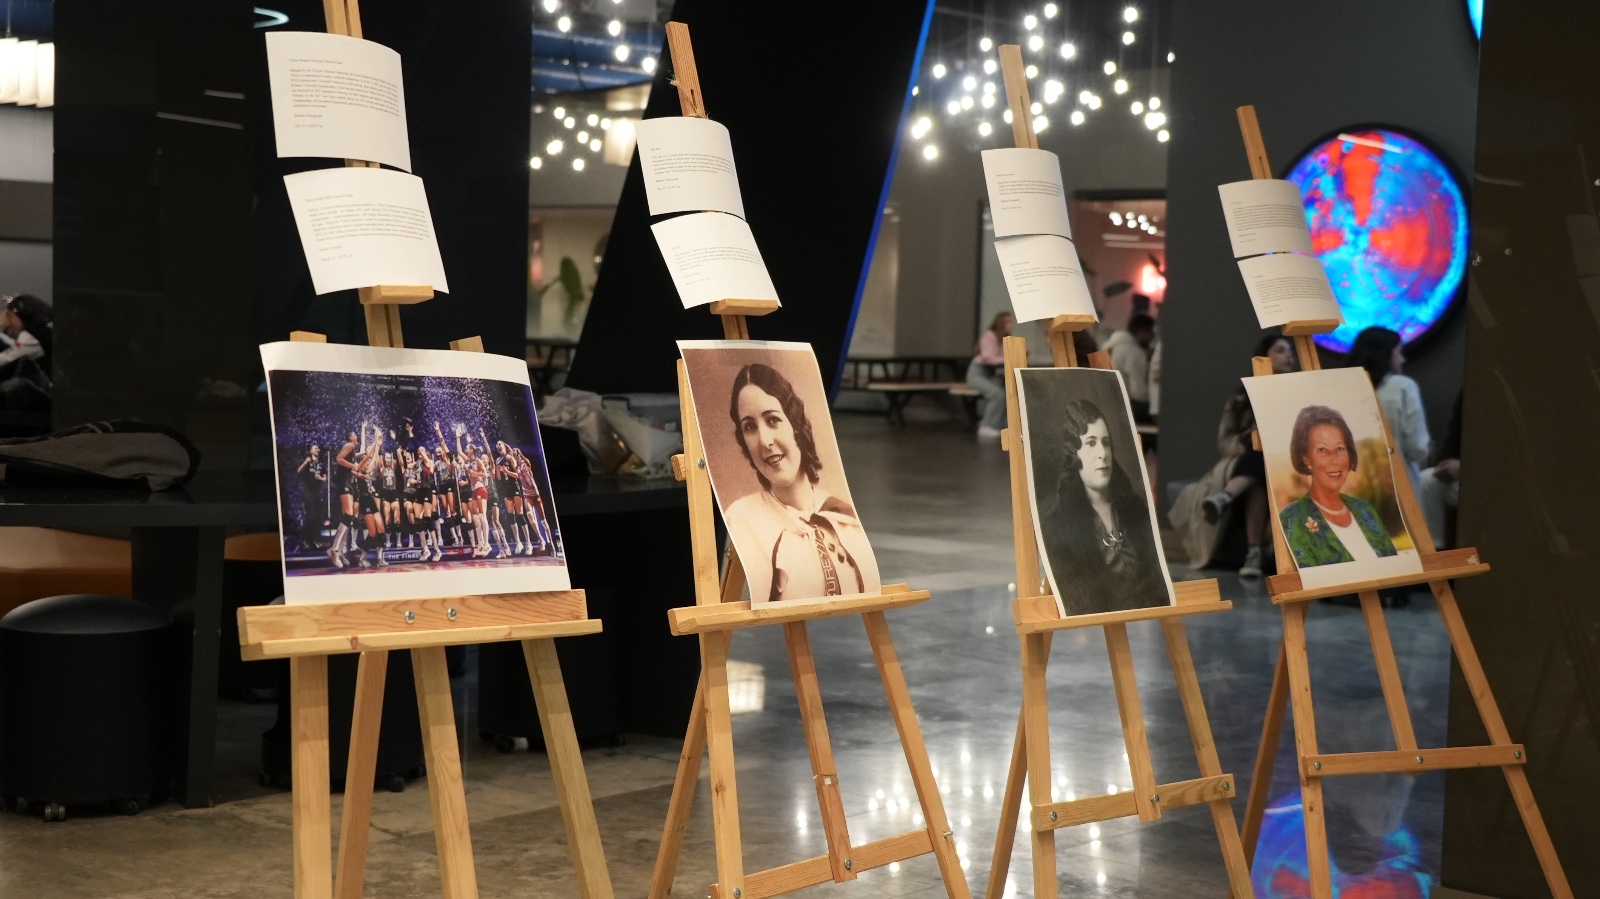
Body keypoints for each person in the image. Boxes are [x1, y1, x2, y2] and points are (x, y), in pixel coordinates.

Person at [722, 363, 878, 603]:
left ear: (795, 424)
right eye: (750, 427)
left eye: (773, 420)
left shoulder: (843, 517)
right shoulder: (743, 518)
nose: (765, 441)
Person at [1173, 333, 1297, 577]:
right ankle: (1253, 552)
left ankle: (1225, 497)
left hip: (1286, 464)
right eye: (1281, 350)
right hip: (1247, 463)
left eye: (1290, 351)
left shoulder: (1298, 395)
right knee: (1259, 463)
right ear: (1263, 357)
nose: (1289, 355)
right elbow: (1225, 443)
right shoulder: (1241, 400)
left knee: (1262, 464)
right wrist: (1252, 437)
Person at [1040, 399, 1166, 614]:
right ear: (1073, 453)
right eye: (1091, 443)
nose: (1102, 453)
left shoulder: (1133, 509)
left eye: (1106, 442)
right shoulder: (1059, 522)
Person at [1279, 405, 1400, 567]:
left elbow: (1395, 567)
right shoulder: (1293, 518)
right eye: (1322, 450)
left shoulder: (1365, 510)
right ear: (1306, 458)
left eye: (1340, 449)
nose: (1334, 459)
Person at [1348, 326, 1430, 486]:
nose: (1402, 359)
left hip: (1357, 484)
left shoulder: (1344, 389)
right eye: (1399, 352)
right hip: (1400, 485)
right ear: (1385, 354)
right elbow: (1417, 448)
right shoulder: (1403, 387)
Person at [1417, 391, 1462, 549]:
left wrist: (1464, 467)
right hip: (1462, 479)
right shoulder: (1468, 393)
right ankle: (1434, 549)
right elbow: (1452, 441)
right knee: (1426, 480)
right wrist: (1446, 464)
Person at [0, 293, 53, 411]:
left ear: (23, 315)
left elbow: (6, 359)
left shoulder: (35, 336)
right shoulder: (45, 329)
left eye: (9, 316)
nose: (8, 322)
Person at [967, 312, 1013, 440]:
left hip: (989, 374)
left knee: (1007, 392)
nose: (1011, 325)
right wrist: (1007, 359)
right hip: (977, 374)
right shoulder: (989, 335)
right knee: (997, 394)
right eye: (1008, 322)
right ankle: (987, 426)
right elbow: (987, 357)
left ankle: (999, 425)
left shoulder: (1003, 338)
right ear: (1001, 323)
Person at [1103, 314, 1155, 422]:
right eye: (1151, 333)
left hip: (1105, 404)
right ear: (1142, 331)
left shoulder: (1107, 347)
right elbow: (1138, 392)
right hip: (1125, 408)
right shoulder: (1134, 352)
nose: (1152, 337)